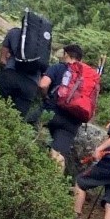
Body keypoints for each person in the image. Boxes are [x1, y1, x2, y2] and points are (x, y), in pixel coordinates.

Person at [38, 44, 85, 173]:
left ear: (66, 54)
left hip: (52, 112)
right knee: (58, 155)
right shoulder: (86, 75)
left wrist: (45, 97)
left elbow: (43, 85)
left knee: (26, 124)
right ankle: (54, 188)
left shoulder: (58, 67)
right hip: (72, 121)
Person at [0, 26, 42, 121]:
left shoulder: (13, 32)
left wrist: (5, 71)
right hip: (30, 84)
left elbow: (2, 60)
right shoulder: (43, 42)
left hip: (10, 74)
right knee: (16, 120)